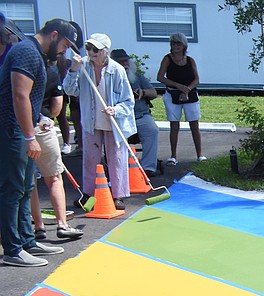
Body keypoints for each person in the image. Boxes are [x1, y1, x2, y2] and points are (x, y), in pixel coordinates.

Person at [0, 18, 79, 268]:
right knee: (12, 190)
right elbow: (19, 94)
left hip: (21, 130)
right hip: (11, 130)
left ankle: (26, 241)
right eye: (65, 44)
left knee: (24, 188)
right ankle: (13, 248)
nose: (64, 50)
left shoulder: (35, 53)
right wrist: (29, 136)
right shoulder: (26, 51)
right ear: (54, 35)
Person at [62, 33, 135, 211]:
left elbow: (128, 100)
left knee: (116, 158)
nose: (91, 52)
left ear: (105, 51)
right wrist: (73, 69)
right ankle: (88, 194)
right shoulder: (83, 66)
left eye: (95, 49)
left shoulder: (117, 70)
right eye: (88, 48)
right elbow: (70, 90)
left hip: (113, 122)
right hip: (91, 120)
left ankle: (118, 195)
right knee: (90, 158)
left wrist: (115, 110)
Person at [29, 57, 82, 240]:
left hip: (21, 127)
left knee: (30, 182)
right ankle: (62, 223)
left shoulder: (16, 71)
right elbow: (56, 109)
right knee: (53, 177)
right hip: (42, 126)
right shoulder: (50, 73)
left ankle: (39, 225)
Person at [111, 48, 159, 178]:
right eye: (121, 62)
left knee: (152, 130)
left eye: (126, 61)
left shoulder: (137, 76)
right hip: (120, 118)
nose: (125, 64)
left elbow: (154, 93)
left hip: (140, 115)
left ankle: (148, 167)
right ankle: (120, 168)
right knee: (114, 136)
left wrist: (143, 92)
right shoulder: (109, 79)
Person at [157, 32, 203, 165]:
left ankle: (199, 155)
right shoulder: (167, 59)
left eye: (178, 43)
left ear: (184, 45)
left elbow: (197, 79)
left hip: (190, 94)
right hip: (172, 94)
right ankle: (173, 156)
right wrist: (177, 86)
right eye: (173, 43)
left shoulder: (190, 60)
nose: (175, 45)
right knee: (174, 124)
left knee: (194, 124)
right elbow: (160, 77)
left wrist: (187, 89)